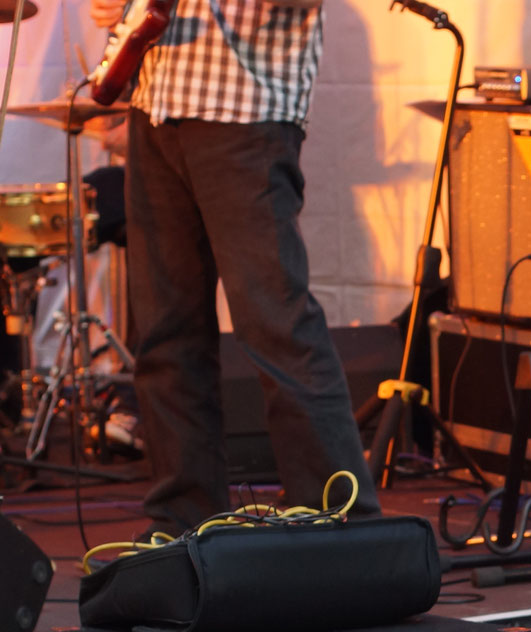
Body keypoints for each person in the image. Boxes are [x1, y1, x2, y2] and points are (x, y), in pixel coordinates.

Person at [90, 0, 379, 533]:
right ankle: (184, 524)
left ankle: (340, 527)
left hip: (245, 116)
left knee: (276, 324)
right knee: (164, 336)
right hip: (156, 108)